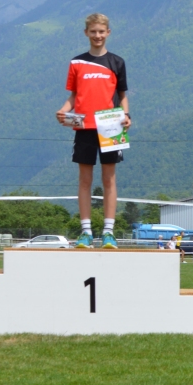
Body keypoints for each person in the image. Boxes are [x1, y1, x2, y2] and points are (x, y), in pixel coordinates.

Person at [56, 13, 130, 250]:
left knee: (109, 178)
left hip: (111, 126)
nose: (97, 35)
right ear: (86, 33)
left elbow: (122, 95)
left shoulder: (117, 62)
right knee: (85, 179)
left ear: (108, 32)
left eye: (101, 31)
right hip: (84, 126)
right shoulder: (76, 62)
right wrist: (64, 110)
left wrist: (126, 115)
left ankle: (109, 232)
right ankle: (86, 232)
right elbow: (74, 95)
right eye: (93, 31)